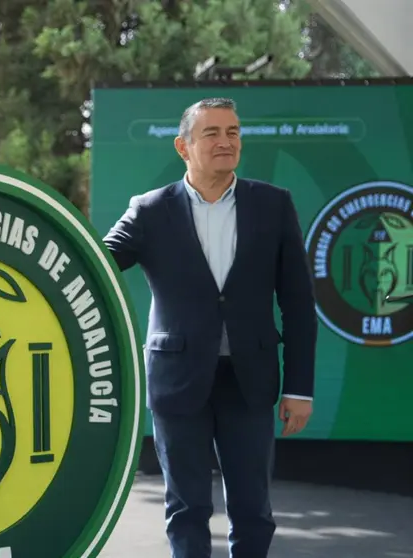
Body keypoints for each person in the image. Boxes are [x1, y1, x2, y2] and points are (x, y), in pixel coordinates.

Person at [102, 97, 317, 558]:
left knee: (253, 508)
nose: (226, 141)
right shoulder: (149, 209)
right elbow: (95, 262)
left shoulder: (274, 205)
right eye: (212, 133)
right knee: (186, 508)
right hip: (177, 381)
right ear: (183, 147)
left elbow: (298, 303)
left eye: (233, 132)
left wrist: (300, 388)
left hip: (250, 381)